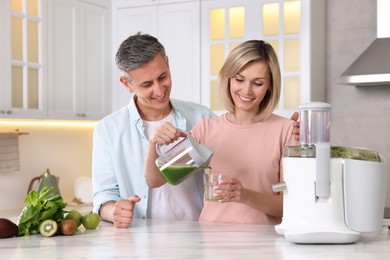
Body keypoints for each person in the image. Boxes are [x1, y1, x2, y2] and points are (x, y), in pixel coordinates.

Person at [92, 33, 300, 228]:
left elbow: (295, 204)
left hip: (262, 241)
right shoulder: (206, 129)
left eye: (258, 83)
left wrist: (244, 194)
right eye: (239, 79)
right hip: (208, 240)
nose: (246, 90)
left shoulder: (286, 130)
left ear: (270, 85)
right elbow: (156, 180)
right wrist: (154, 143)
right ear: (228, 79)